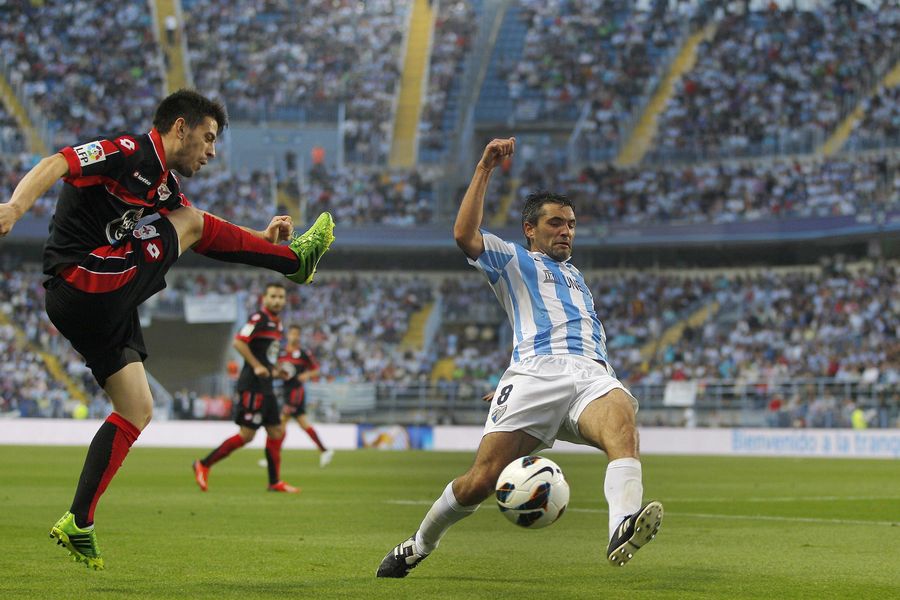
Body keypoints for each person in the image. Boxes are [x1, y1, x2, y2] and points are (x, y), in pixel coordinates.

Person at [0, 89, 335, 570]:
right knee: (191, 222)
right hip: (84, 277)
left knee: (136, 408)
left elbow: (204, 231)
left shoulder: (162, 184)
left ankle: (79, 521)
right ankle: (294, 263)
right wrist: (15, 207)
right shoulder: (126, 151)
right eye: (208, 138)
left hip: (94, 303)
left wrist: (259, 237)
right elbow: (57, 162)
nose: (211, 151)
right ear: (181, 127)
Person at [376, 138, 663, 578]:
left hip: (592, 374)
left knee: (623, 423)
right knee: (480, 481)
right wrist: (485, 168)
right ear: (530, 228)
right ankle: (418, 544)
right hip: (535, 376)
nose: (566, 231)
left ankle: (621, 525)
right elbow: (464, 235)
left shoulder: (578, 277)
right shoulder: (512, 259)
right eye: (555, 223)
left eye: (571, 224)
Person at [193, 283, 301, 494]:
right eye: (273, 296)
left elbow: (267, 356)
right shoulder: (258, 318)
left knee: (276, 431)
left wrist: (277, 370)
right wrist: (257, 365)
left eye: (280, 297)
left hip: (266, 385)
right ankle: (203, 464)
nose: (277, 300)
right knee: (247, 435)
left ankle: (274, 482)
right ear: (264, 298)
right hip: (252, 386)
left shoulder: (277, 324)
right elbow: (239, 342)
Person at [277, 324, 334, 467]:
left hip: (296, 392)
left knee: (282, 422)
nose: (294, 336)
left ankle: (274, 456)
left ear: (300, 336)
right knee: (303, 424)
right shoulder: (281, 353)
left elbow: (316, 370)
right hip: (286, 391)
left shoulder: (304, 353)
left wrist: (307, 375)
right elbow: (277, 368)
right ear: (288, 335)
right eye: (292, 333)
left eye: (297, 334)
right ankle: (324, 450)